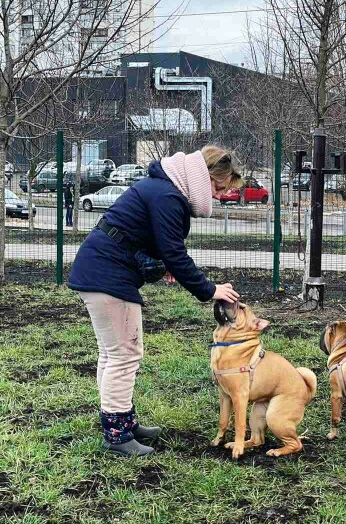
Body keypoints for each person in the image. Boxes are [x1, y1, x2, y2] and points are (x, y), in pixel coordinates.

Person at [68, 146, 243, 457]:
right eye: (219, 187)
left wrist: (162, 264)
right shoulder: (168, 196)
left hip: (100, 269)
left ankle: (121, 420)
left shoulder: (162, 187)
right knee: (124, 354)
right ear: (204, 176)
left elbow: (142, 236)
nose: (219, 196)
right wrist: (209, 289)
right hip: (108, 275)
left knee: (113, 354)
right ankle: (117, 435)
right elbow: (174, 250)